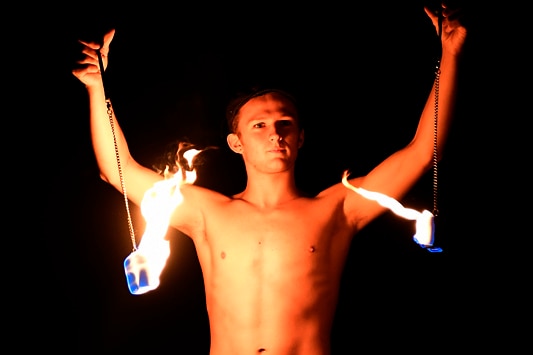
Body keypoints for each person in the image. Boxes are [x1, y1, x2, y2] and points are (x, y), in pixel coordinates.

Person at [72, 4, 467, 355]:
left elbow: (422, 151)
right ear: (236, 142)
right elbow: (117, 169)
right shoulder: (208, 213)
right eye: (259, 125)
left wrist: (449, 54)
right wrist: (96, 88)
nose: (274, 133)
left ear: (300, 137)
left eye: (285, 124)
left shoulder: (338, 207)